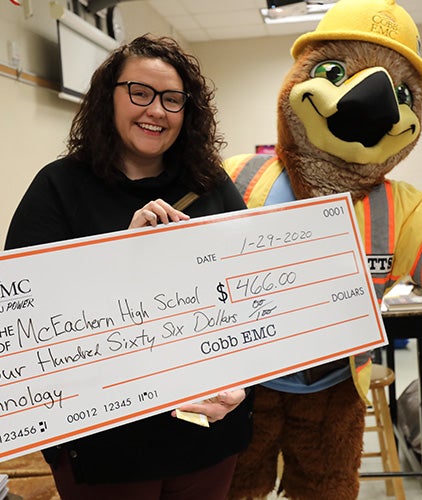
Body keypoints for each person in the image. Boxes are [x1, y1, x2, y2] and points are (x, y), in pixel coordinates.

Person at [4, 34, 252, 500]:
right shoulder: (58, 187)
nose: (156, 110)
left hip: (208, 434)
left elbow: (253, 292)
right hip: (106, 446)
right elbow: (24, 318)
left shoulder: (211, 183)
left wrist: (241, 380)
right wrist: (120, 255)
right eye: (140, 92)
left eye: (172, 99)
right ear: (108, 97)